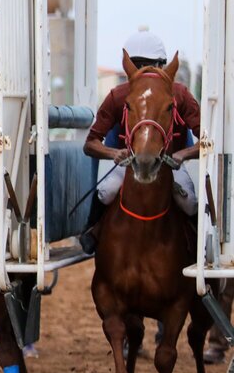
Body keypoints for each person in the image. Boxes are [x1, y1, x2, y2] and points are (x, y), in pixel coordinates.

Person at [78, 30, 201, 254]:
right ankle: (92, 230)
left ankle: (200, 247)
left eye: (150, 67)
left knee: (189, 202)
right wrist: (113, 153)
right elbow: (90, 143)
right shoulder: (117, 96)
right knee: (107, 190)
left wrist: (183, 154)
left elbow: (209, 141)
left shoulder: (181, 95)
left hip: (171, 165)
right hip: (129, 162)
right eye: (138, 67)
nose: (145, 74)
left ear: (162, 67)